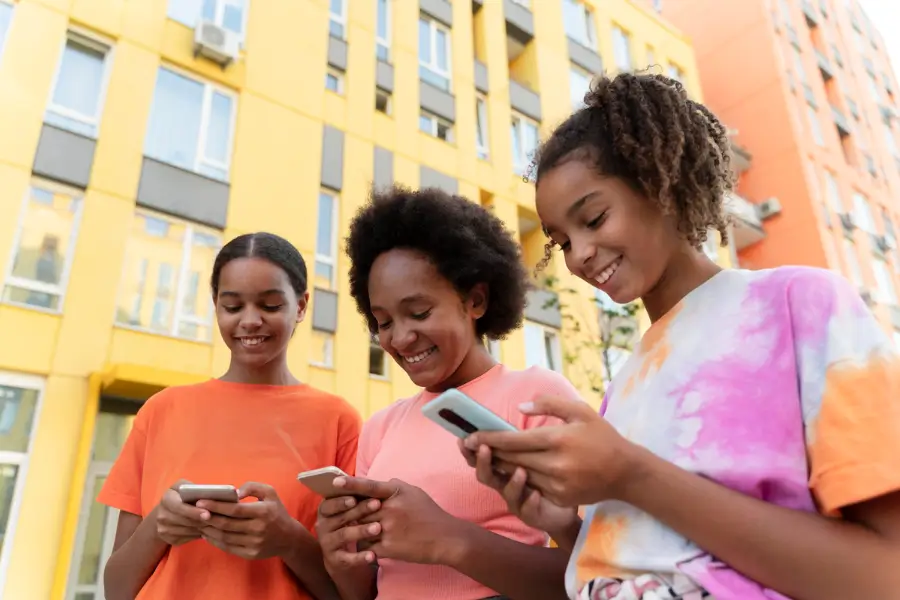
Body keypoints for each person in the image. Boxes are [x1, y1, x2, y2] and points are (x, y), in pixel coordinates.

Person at [461, 72, 900, 600]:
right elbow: (646, 556)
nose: (578, 255)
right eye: (561, 240)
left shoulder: (801, 305)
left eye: (594, 218)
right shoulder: (624, 383)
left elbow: (884, 573)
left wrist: (629, 475)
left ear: (660, 183)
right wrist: (564, 526)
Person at [314, 186, 583, 600]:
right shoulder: (381, 428)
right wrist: (340, 559)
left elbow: (594, 572)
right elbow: (367, 592)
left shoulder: (536, 397)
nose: (400, 338)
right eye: (382, 322)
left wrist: (449, 540)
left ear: (475, 300)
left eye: (419, 312)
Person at [100, 232, 361, 600]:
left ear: (301, 306)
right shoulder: (161, 410)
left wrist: (289, 541)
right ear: (215, 305)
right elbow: (116, 589)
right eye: (233, 306)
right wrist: (160, 525)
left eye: (270, 306)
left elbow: (356, 593)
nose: (250, 321)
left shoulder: (338, 420)